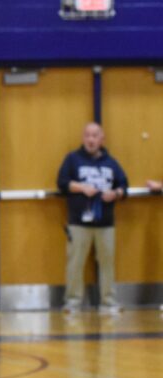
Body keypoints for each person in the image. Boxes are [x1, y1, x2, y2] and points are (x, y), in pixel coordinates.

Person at [57, 122, 128, 314]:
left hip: (105, 222)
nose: (90, 139)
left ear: (102, 139)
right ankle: (72, 302)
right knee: (75, 262)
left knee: (107, 263)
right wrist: (82, 188)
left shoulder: (111, 163)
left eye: (95, 135)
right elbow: (62, 183)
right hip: (79, 222)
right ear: (83, 138)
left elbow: (123, 185)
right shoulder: (72, 159)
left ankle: (108, 302)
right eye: (87, 135)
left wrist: (115, 193)